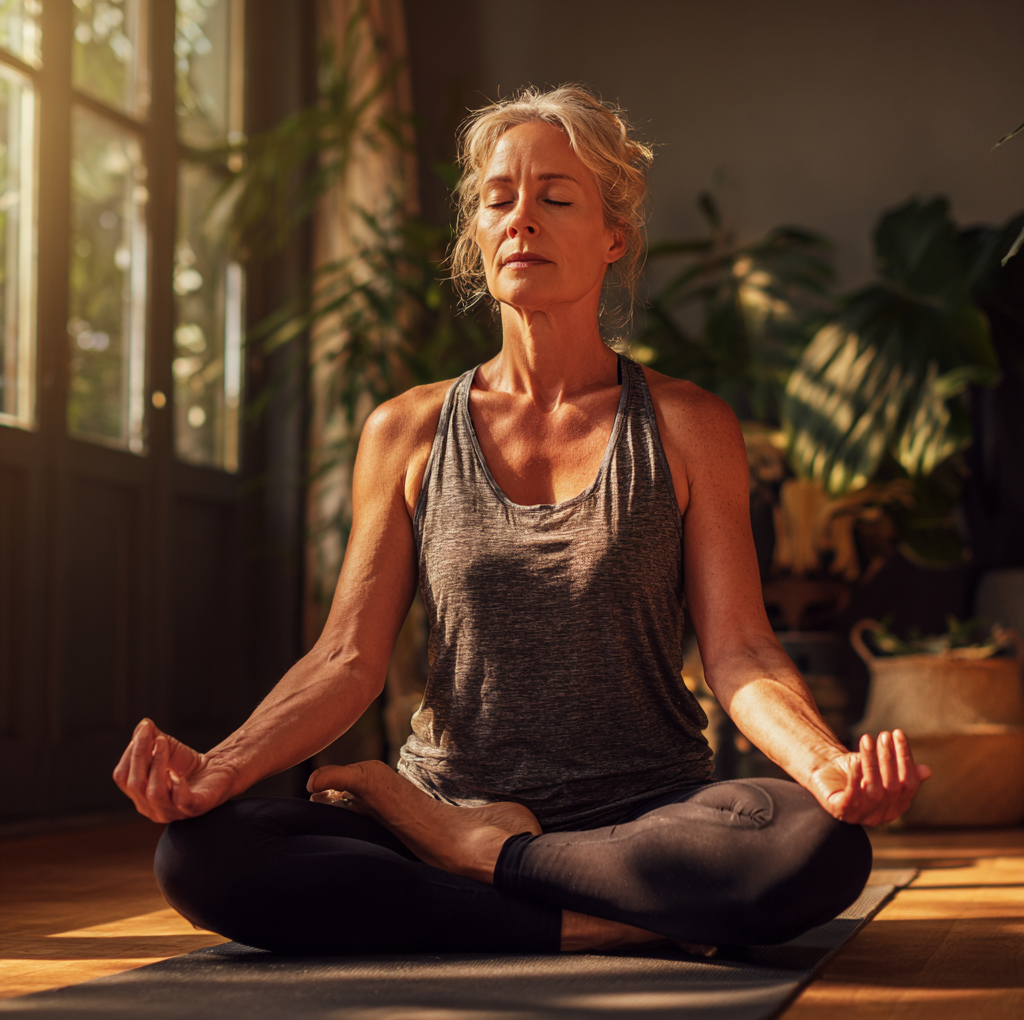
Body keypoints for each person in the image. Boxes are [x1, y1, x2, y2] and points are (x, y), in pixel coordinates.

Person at [114, 85, 930, 957]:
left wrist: (826, 768)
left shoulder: (689, 426)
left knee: (816, 844)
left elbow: (741, 653)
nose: (521, 219)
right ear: (477, 235)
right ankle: (591, 911)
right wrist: (219, 771)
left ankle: (490, 865)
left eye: (556, 197)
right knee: (200, 855)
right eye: (500, 199)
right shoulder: (409, 431)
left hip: (643, 817)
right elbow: (347, 658)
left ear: (613, 237)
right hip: (448, 798)